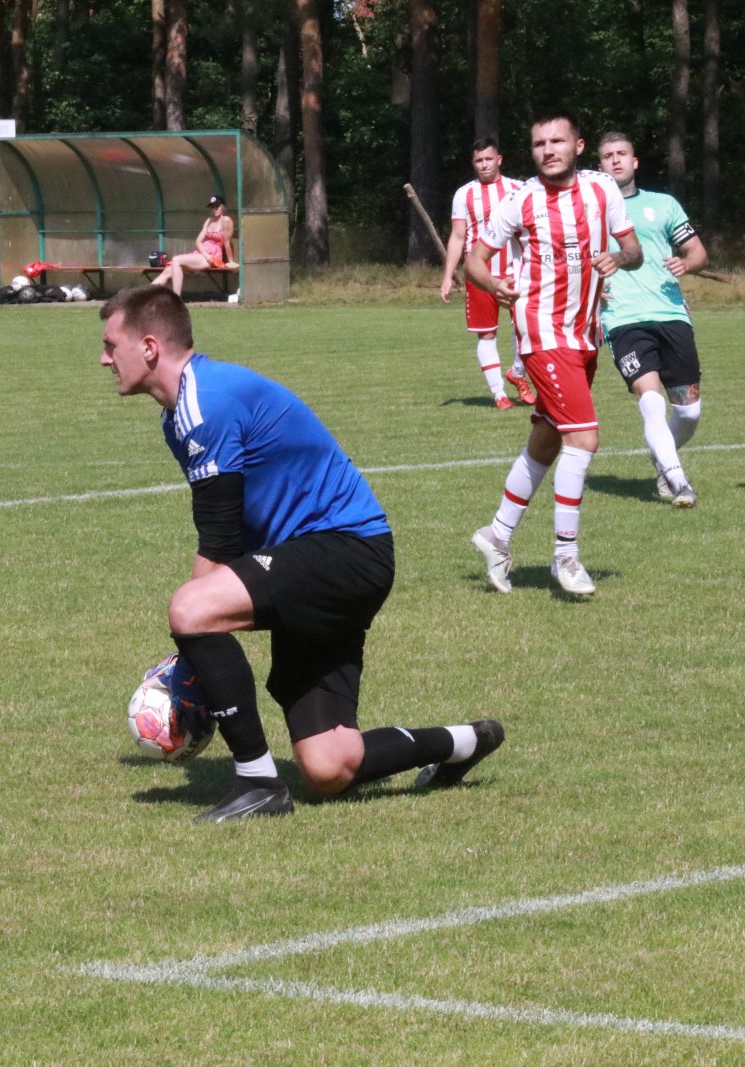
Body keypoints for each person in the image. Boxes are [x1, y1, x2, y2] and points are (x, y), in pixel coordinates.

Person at [99, 285, 504, 822]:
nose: (105, 359)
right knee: (328, 766)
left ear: (149, 346)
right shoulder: (181, 411)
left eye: (111, 345)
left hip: (343, 551)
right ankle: (463, 743)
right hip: (316, 560)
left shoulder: (205, 403)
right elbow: (237, 528)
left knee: (191, 609)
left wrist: (193, 646)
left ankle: (258, 782)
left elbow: (217, 543)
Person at [465, 111, 642, 596]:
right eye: (539, 143)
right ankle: (565, 555)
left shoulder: (602, 189)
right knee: (583, 439)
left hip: (585, 334)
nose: (547, 150)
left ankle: (497, 534)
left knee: (547, 438)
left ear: (578, 145)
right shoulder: (519, 201)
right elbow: (473, 260)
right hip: (541, 333)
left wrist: (618, 258)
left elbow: (634, 250)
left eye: (557, 141)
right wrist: (494, 284)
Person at [596, 132, 709, 507]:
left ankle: (662, 457)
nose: (616, 161)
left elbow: (697, 252)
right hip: (622, 318)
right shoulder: (589, 211)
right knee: (651, 399)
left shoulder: (664, 205)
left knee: (689, 411)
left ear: (635, 161)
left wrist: (686, 263)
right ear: (599, 166)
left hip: (670, 311)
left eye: (622, 154)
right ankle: (679, 481)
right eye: (608, 156)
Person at [440, 138, 537, 411]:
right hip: (480, 277)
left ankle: (517, 373)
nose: (484, 165)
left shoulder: (517, 189)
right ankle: (499, 395)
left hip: (516, 274)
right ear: (474, 163)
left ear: (499, 159)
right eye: (478, 160)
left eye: (488, 159)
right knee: (487, 335)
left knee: (527, 331)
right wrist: (448, 276)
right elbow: (458, 237)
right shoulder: (464, 195)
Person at [150, 195, 234, 296]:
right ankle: (143, 298)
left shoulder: (226, 220)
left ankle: (176, 300)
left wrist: (231, 261)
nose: (214, 209)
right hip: (202, 253)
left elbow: (227, 242)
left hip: (213, 256)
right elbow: (198, 241)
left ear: (223, 206)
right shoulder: (209, 220)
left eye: (216, 206)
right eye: (212, 207)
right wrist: (204, 253)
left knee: (176, 259)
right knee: (168, 271)